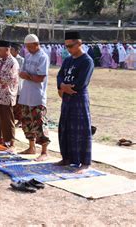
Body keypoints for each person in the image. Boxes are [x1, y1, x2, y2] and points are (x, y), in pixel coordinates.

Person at [56, 31, 94, 173]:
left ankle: (84, 162)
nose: (68, 49)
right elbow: (60, 75)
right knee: (65, 128)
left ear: (79, 43)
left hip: (79, 99)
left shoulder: (87, 61)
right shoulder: (68, 60)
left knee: (81, 131)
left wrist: (65, 87)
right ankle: (67, 158)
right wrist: (62, 86)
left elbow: (81, 83)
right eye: (66, 46)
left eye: (71, 46)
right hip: (66, 99)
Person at [18, 34, 51, 161]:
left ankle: (44, 151)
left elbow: (40, 77)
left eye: (30, 47)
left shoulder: (43, 57)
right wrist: (29, 76)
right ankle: (31, 147)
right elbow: (22, 73)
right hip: (26, 94)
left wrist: (28, 76)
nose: (28, 49)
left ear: (37, 44)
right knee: (27, 122)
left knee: (40, 123)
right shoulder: (28, 55)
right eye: (27, 47)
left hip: (37, 96)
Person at [0, 40, 19, 151]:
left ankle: (11, 143)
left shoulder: (13, 63)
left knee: (7, 119)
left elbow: (11, 79)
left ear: (7, 50)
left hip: (6, 95)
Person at [10, 43, 24, 124]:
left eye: (12, 50)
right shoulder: (9, 59)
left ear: (17, 51)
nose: (10, 51)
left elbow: (20, 72)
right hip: (10, 85)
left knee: (19, 105)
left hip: (18, 85)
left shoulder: (21, 60)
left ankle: (20, 121)